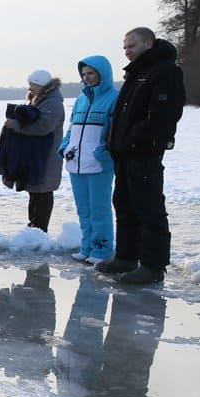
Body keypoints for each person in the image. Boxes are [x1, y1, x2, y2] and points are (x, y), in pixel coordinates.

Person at [96, 27, 186, 284]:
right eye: (124, 47)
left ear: (149, 42)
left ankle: (153, 266)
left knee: (149, 209)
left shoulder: (165, 71)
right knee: (125, 205)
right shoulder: (136, 73)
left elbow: (163, 115)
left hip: (144, 153)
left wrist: (136, 139)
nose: (127, 52)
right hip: (124, 154)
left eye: (132, 46)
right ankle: (126, 256)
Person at [58, 56, 119, 266]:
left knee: (99, 209)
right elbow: (72, 128)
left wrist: (104, 151)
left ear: (102, 73)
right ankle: (87, 247)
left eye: (91, 73)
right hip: (76, 163)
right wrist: (64, 147)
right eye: (84, 74)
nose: (87, 77)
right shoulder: (81, 99)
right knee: (83, 209)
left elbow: (116, 131)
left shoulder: (114, 98)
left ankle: (102, 249)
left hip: (99, 164)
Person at [2, 70, 65, 232]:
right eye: (29, 85)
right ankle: (33, 225)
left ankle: (40, 227)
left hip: (47, 155)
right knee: (35, 191)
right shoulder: (40, 100)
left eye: (33, 85)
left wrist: (16, 125)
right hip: (37, 154)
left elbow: (43, 127)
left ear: (41, 85)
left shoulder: (53, 103)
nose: (30, 88)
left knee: (43, 191)